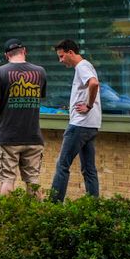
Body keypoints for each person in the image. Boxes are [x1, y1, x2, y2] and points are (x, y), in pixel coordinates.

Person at [0, 38, 47, 194]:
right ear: (24, 51)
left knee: (7, 180)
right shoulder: (40, 72)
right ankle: (37, 215)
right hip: (33, 136)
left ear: (6, 55)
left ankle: (6, 217)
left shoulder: (0, 73)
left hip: (8, 137)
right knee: (33, 182)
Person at [48, 39, 101, 202]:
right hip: (91, 125)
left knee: (62, 165)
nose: (61, 60)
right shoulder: (87, 65)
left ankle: (53, 205)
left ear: (71, 52)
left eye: (62, 56)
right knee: (89, 169)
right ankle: (93, 205)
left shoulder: (82, 66)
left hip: (79, 125)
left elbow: (94, 83)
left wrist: (88, 106)